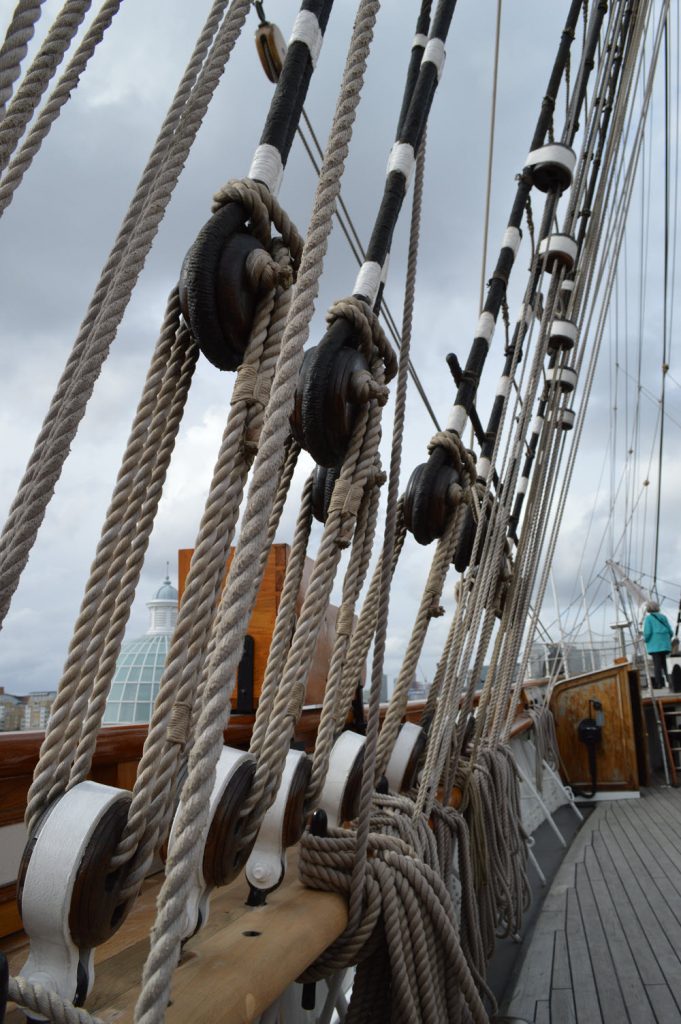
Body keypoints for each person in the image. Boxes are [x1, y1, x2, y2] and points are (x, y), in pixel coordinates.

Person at [643, 600, 674, 688]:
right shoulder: (663, 617)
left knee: (657, 665)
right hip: (665, 644)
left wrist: (645, 640)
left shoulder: (648, 619)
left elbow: (648, 632)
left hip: (655, 645)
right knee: (665, 664)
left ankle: (659, 684)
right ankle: (671, 682)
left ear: (648, 608)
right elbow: (670, 630)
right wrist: (667, 638)